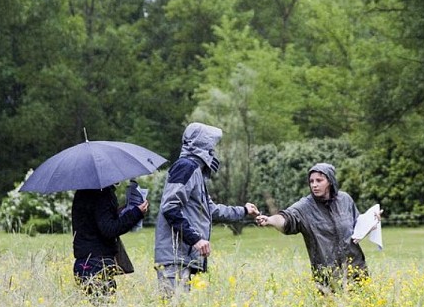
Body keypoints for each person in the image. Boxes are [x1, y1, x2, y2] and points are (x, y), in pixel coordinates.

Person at [154, 122, 260, 295]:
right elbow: (169, 207)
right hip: (175, 257)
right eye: (212, 145)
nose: (214, 151)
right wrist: (195, 239)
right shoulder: (185, 167)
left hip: (185, 257)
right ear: (203, 145)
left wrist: (244, 211)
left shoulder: (196, 171)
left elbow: (209, 210)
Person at [256, 162, 377, 294]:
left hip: (356, 270)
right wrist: (270, 220)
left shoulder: (345, 200)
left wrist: (373, 220)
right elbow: (286, 218)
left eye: (319, 180)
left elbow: (357, 225)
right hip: (328, 278)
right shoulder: (305, 207)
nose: (314, 184)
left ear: (330, 181)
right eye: (311, 181)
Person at [72, 185, 149, 297]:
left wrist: (121, 212)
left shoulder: (83, 191)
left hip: (84, 262)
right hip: (96, 263)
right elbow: (109, 229)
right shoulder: (102, 193)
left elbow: (96, 220)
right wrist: (136, 213)